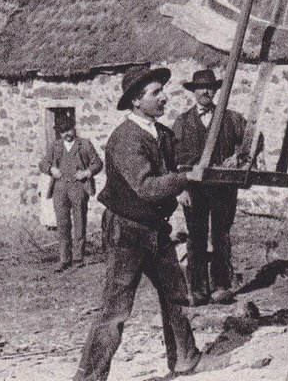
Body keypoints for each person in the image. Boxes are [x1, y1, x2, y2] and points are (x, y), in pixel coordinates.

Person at [74, 65, 208, 381]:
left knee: (175, 294)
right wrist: (185, 178)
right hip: (126, 231)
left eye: (163, 90)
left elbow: (172, 171)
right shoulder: (124, 139)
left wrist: (195, 173)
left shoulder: (162, 134)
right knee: (116, 309)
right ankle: (89, 377)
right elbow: (147, 187)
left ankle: (186, 359)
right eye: (155, 92)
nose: (165, 97)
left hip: (155, 228)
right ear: (136, 100)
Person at [168, 68, 253, 305]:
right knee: (195, 237)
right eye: (200, 88)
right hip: (193, 189)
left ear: (216, 90)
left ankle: (221, 286)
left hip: (224, 188)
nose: (205, 91)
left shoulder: (230, 118)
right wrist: (180, 189)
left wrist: (239, 156)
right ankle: (197, 289)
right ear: (194, 92)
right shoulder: (182, 123)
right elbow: (171, 159)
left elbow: (254, 138)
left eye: (209, 87)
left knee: (221, 235)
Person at [39, 113, 103, 271]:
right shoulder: (55, 145)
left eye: (68, 130)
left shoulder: (85, 144)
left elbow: (98, 163)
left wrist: (87, 173)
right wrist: (51, 169)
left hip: (79, 188)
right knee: (62, 224)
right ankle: (64, 259)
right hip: (59, 189)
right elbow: (43, 163)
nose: (66, 134)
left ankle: (78, 259)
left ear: (74, 128)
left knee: (80, 222)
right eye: (62, 131)